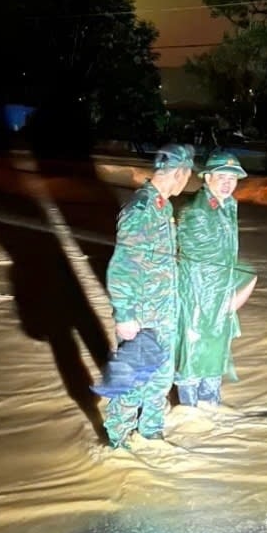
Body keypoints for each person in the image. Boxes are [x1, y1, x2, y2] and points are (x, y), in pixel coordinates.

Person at [92, 143, 195, 449]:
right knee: (131, 382)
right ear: (179, 173)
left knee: (161, 379)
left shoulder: (163, 208)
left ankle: (151, 434)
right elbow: (122, 267)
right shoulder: (140, 210)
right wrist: (124, 315)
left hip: (163, 314)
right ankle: (118, 442)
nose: (187, 182)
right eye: (187, 176)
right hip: (141, 317)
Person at [175, 149, 257, 407]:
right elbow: (205, 264)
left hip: (218, 296)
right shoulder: (197, 212)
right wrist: (241, 281)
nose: (227, 183)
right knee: (191, 361)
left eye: (233, 179)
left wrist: (240, 284)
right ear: (207, 177)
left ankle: (209, 418)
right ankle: (190, 417)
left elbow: (226, 261)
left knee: (212, 360)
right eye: (222, 177)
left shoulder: (227, 205)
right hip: (198, 299)